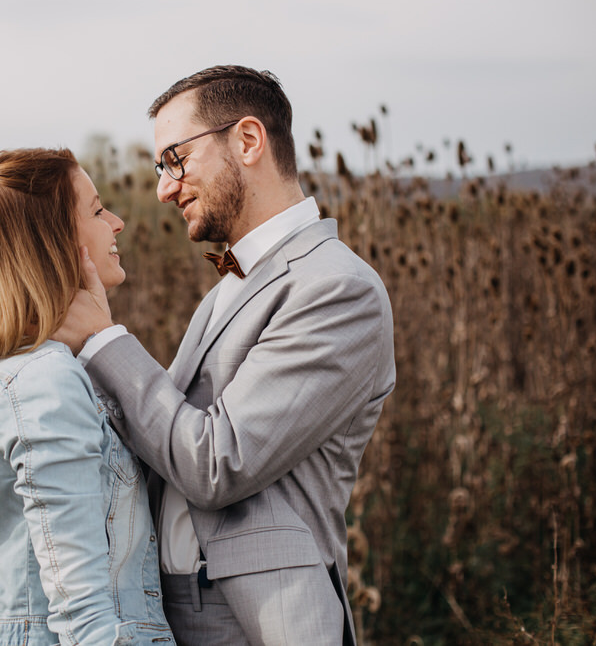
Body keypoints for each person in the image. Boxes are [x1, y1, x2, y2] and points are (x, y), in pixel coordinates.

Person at [52, 66, 396, 645]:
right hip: (175, 616)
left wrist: (103, 341)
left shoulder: (338, 288)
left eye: (175, 159)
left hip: (264, 624)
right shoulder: (227, 288)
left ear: (247, 140)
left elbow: (218, 462)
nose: (164, 188)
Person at [0, 148, 176, 646]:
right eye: (96, 211)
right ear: (54, 242)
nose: (116, 223)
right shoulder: (47, 381)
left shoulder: (41, 373)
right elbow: (84, 612)